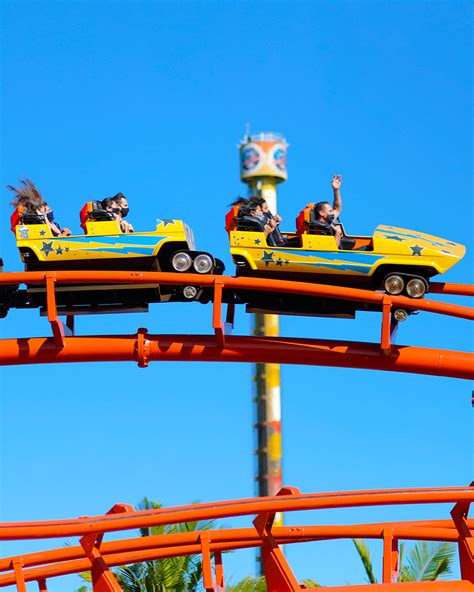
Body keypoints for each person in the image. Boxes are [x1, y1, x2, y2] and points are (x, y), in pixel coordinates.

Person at [7, 179, 71, 236]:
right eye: (47, 210)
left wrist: (64, 233)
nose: (50, 211)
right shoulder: (41, 223)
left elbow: (58, 234)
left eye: (50, 210)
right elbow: (57, 235)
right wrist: (63, 234)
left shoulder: (52, 224)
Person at [313, 175, 343, 247]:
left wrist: (336, 190)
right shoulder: (320, 228)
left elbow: (337, 209)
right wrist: (338, 233)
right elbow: (331, 252)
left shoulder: (328, 221)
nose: (333, 213)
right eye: (330, 211)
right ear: (321, 213)